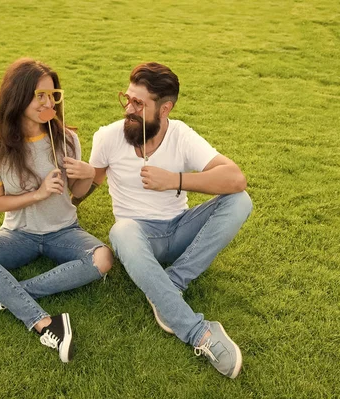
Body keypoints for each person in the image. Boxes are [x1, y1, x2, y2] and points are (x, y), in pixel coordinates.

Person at [85, 62, 252, 378]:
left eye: (139, 103)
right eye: (128, 98)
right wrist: (74, 180)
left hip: (179, 229)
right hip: (138, 238)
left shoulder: (181, 135)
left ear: (164, 109)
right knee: (120, 231)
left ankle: (172, 282)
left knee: (239, 200)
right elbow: (84, 189)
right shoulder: (107, 137)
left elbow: (235, 178)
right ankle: (198, 332)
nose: (129, 109)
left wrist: (174, 180)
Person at [0, 58, 113, 363]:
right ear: (18, 97)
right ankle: (46, 323)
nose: (47, 103)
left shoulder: (67, 139)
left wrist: (87, 173)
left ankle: (1, 294)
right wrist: (38, 193)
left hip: (64, 230)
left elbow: (76, 195)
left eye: (51, 95)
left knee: (103, 258)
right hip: (19, 234)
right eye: (38, 96)